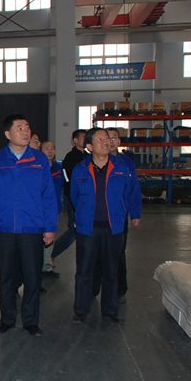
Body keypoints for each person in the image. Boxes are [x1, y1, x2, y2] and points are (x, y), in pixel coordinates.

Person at [0, 114, 58, 337]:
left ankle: (31, 321)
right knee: (6, 276)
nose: (25, 131)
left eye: (27, 127)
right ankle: (7, 319)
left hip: (31, 227)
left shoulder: (39, 160)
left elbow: (48, 196)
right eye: (20, 128)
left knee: (32, 276)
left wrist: (49, 227)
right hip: (3, 228)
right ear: (7, 134)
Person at [71, 128, 142, 323]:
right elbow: (74, 196)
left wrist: (134, 213)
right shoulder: (80, 169)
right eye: (100, 139)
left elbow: (132, 190)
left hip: (114, 227)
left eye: (107, 139)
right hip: (88, 228)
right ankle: (81, 310)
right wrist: (83, 214)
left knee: (111, 270)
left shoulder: (121, 167)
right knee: (84, 271)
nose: (106, 142)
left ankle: (110, 311)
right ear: (89, 146)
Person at [91, 127, 140, 301]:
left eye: (113, 138)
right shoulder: (92, 162)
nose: (110, 141)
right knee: (96, 254)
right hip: (97, 218)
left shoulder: (126, 163)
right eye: (106, 138)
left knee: (118, 254)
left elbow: (133, 189)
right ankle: (93, 288)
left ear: (119, 141)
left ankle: (119, 290)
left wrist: (135, 213)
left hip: (119, 217)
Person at [50, 129, 87, 267]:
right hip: (74, 199)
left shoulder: (88, 156)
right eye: (83, 137)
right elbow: (69, 181)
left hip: (87, 200)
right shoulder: (71, 158)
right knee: (74, 231)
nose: (86, 139)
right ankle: (51, 254)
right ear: (75, 140)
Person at [41, 140, 64, 275]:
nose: (49, 151)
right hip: (40, 210)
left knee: (50, 237)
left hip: (54, 209)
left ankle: (47, 265)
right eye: (46, 148)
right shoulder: (38, 168)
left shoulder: (59, 168)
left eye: (52, 149)